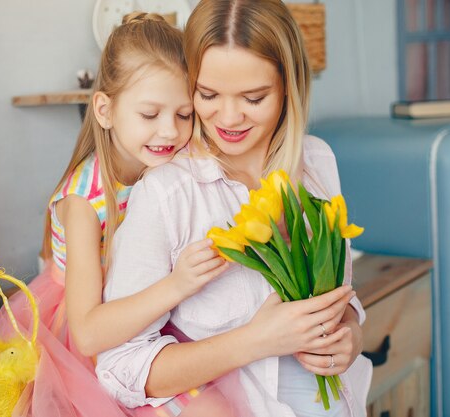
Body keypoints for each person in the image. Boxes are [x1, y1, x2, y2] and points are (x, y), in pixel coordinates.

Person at [96, 1, 373, 416]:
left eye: (253, 97)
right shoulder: (169, 194)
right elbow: (121, 367)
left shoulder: (317, 163)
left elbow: (342, 296)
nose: (227, 117)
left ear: (288, 86)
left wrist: (351, 334)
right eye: (207, 94)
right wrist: (256, 341)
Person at [0, 12, 231, 417]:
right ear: (104, 110)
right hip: (96, 328)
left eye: (183, 114)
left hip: (148, 307)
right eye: (149, 114)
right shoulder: (85, 202)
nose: (170, 132)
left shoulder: (168, 162)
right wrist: (178, 285)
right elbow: (88, 334)